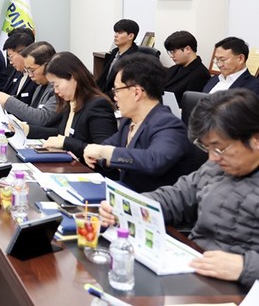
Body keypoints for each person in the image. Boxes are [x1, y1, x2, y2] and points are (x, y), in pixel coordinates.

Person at [99, 88, 259, 287]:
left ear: (255, 140)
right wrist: (125, 206)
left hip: (240, 284)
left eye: (220, 148)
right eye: (207, 148)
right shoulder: (215, 167)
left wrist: (245, 267)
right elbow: (177, 197)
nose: (212, 158)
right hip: (195, 264)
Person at [84, 54, 201, 192]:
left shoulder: (169, 125)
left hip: (155, 201)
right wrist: (97, 153)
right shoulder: (129, 121)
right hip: (126, 194)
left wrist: (106, 153)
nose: (115, 97)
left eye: (117, 90)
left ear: (137, 93)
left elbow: (153, 161)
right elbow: (107, 146)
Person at [34, 52, 117, 161]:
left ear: (73, 78)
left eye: (56, 85)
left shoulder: (98, 105)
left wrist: (66, 142)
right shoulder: (70, 102)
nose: (56, 91)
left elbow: (103, 151)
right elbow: (62, 134)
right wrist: (27, 130)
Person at [0, 41, 57, 127]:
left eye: (32, 70)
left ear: (47, 66)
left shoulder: (57, 90)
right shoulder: (40, 86)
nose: (30, 75)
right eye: (27, 71)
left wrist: (8, 100)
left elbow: (41, 118)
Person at [163, 30, 211, 103]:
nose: (171, 56)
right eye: (170, 52)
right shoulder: (174, 69)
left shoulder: (200, 74)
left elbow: (189, 103)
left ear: (187, 49)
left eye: (173, 52)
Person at [96, 19, 140, 94]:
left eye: (119, 33)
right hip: (104, 94)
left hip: (117, 96)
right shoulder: (113, 53)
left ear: (130, 36)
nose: (115, 35)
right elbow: (103, 79)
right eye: (115, 32)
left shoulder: (134, 59)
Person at [0, 31, 37, 105]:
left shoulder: (36, 77)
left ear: (23, 53)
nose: (10, 62)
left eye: (11, 57)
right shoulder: (18, 72)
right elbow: (5, 95)